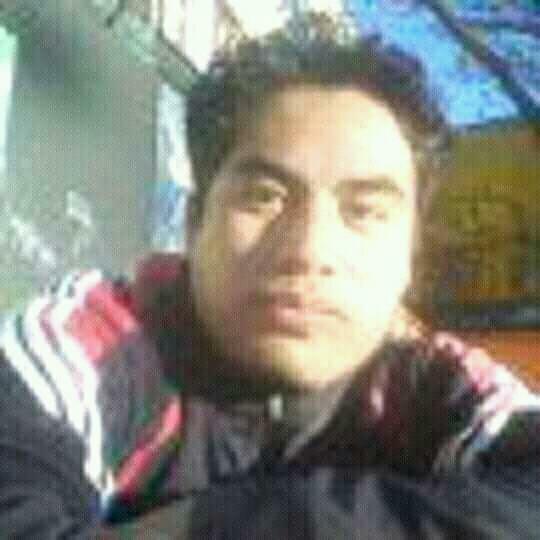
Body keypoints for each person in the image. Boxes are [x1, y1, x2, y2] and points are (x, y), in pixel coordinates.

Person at [1, 22, 540, 539]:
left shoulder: (435, 385)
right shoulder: (92, 344)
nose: (309, 251)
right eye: (264, 197)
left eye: (364, 211)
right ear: (194, 224)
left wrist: (291, 520)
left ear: (409, 259)